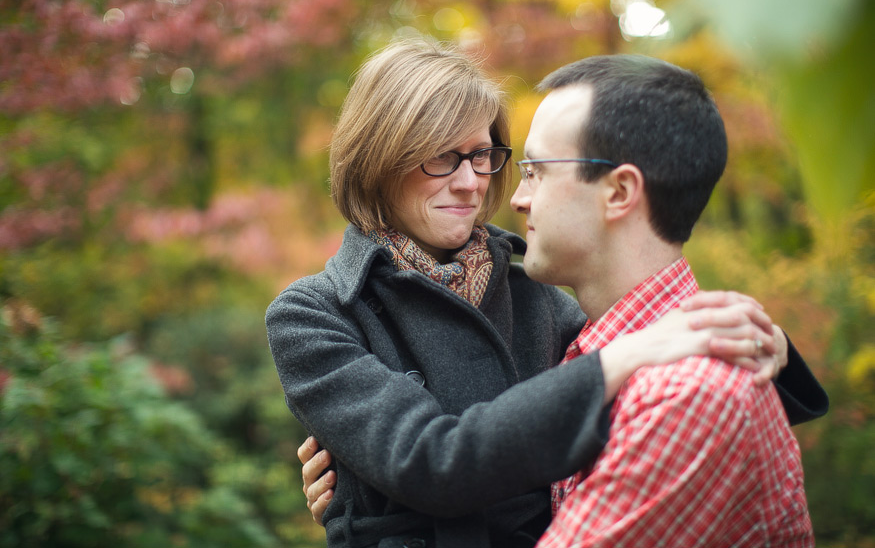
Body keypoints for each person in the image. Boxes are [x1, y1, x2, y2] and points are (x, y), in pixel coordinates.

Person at [268, 40, 826, 548]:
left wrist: (760, 340)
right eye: (441, 157)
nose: (471, 182)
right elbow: (435, 462)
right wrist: (359, 508)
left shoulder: (539, 292)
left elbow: (675, 405)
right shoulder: (314, 314)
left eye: (483, 155)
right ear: (378, 159)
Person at [504, 55, 814, 546]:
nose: (520, 198)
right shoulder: (583, 346)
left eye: (537, 170)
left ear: (620, 191)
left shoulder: (689, 393)